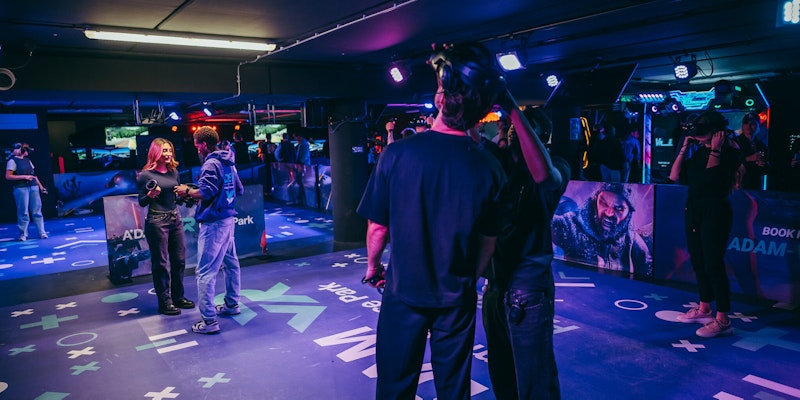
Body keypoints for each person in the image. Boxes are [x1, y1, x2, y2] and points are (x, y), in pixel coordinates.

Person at [357, 41, 507, 399]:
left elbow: (378, 227)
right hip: (456, 296)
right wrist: (467, 277)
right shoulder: (490, 166)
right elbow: (489, 240)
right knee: (454, 388)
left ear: (441, 100)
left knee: (395, 383)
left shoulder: (396, 154)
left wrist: (373, 267)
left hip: (404, 291)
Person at [482, 105, 568, 400]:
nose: (506, 130)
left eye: (514, 127)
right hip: (494, 285)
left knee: (534, 378)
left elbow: (545, 177)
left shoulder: (556, 165)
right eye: (505, 125)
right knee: (501, 371)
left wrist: (512, 107)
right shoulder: (499, 165)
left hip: (528, 287)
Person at [669, 110, 743, 338]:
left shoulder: (729, 152)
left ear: (718, 132)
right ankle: (704, 307)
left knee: (713, 263)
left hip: (715, 212)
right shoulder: (699, 152)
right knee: (699, 261)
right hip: (694, 209)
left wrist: (716, 148)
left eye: (704, 134)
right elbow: (673, 175)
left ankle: (723, 320)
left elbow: (712, 182)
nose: (700, 138)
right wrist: (684, 148)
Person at [174, 126, 244, 335]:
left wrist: (186, 190)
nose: (196, 150)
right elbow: (238, 189)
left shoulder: (211, 164)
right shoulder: (228, 161)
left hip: (214, 224)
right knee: (231, 264)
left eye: (197, 146)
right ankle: (232, 304)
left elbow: (205, 192)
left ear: (204, 145)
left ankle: (209, 321)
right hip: (227, 219)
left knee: (205, 272)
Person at [136, 138, 194, 315]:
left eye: (170, 150)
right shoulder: (146, 175)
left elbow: (174, 197)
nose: (168, 154)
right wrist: (151, 195)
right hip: (157, 221)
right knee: (161, 263)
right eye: (165, 151)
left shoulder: (174, 172)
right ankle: (165, 302)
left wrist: (185, 195)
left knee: (179, 260)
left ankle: (178, 297)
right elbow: (142, 201)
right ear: (156, 153)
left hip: (175, 218)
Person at [551, 182, 652, 275]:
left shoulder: (630, 239)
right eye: (603, 203)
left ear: (628, 213)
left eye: (618, 208)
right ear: (595, 200)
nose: (609, 213)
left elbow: (647, 271)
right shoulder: (573, 225)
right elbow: (545, 223)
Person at [6, 142, 47, 241]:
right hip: (21, 188)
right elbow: (8, 176)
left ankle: (42, 232)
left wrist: (41, 187)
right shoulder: (12, 161)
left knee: (37, 210)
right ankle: (23, 234)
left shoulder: (28, 160)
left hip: (33, 187)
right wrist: (24, 176)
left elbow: (34, 176)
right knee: (23, 212)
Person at [735, 112, 768, 190]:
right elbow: (728, 162)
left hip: (755, 186)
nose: (748, 126)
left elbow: (766, 169)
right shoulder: (734, 142)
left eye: (752, 123)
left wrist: (763, 164)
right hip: (738, 186)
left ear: (757, 126)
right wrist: (748, 158)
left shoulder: (761, 146)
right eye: (746, 123)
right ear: (742, 125)